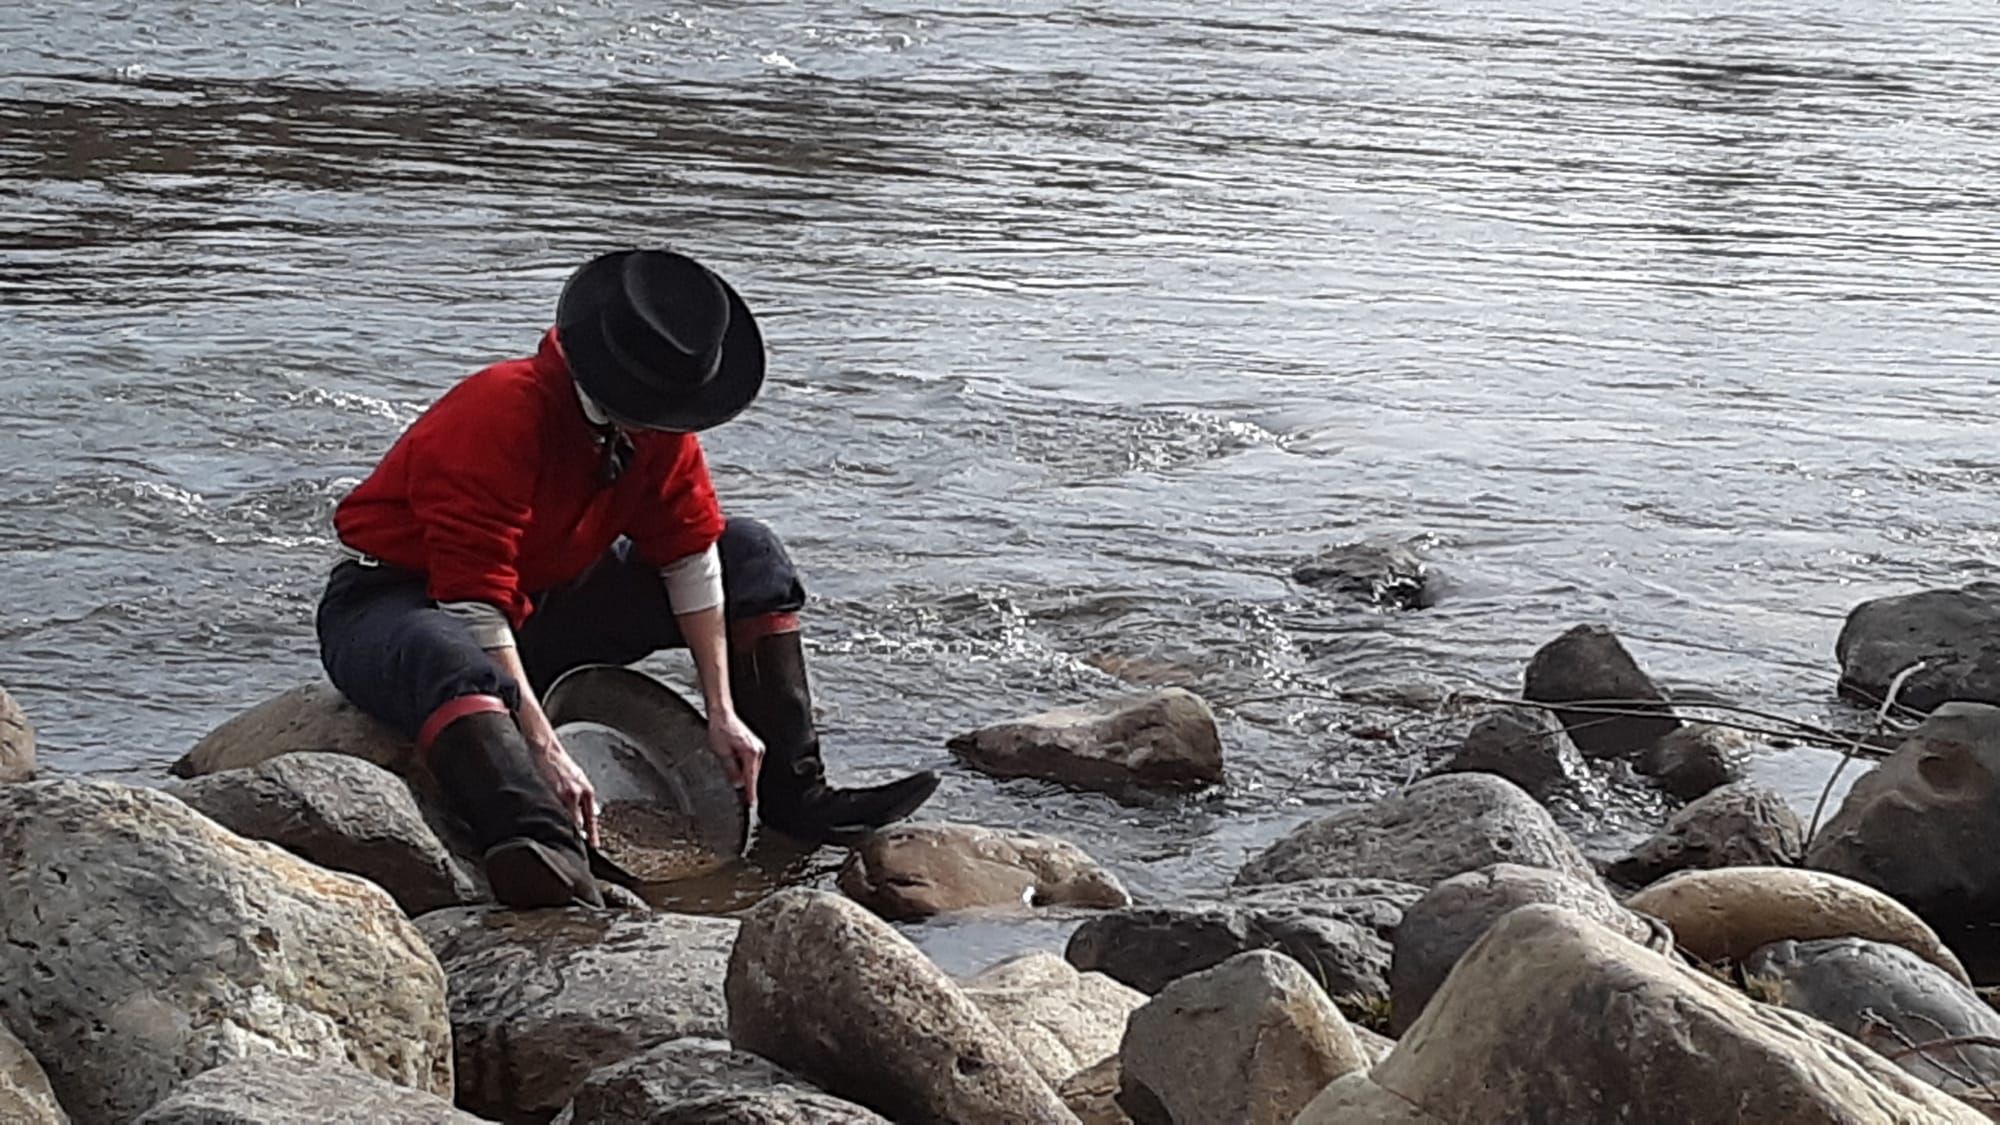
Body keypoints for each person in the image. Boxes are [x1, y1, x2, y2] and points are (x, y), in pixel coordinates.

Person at [314, 247, 940, 908]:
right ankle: (543, 842)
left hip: (545, 600)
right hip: (398, 602)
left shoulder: (657, 421)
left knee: (751, 553)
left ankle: (796, 794)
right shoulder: (498, 412)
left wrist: (723, 711)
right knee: (450, 653)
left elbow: (691, 551)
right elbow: (471, 601)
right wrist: (545, 746)